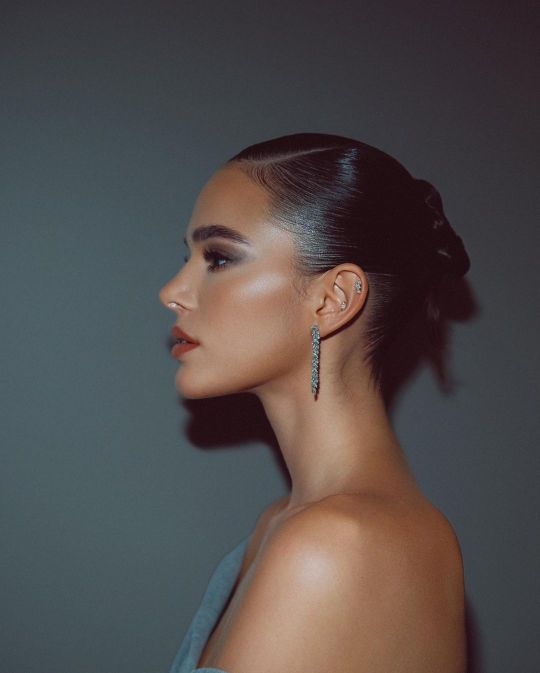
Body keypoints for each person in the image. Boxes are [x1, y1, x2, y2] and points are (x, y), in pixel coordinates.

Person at [159, 133, 470, 673]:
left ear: (333, 299)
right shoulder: (283, 525)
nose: (171, 292)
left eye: (220, 258)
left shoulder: (332, 546)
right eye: (188, 257)